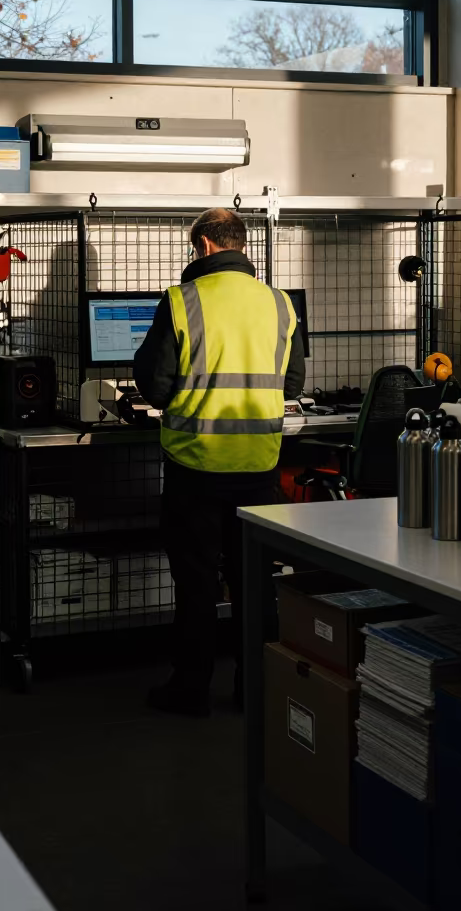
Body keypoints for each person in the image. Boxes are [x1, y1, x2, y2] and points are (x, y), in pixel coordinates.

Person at [133, 207, 306, 716]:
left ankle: (190, 691)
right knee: (256, 587)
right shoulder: (279, 303)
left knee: (196, 586)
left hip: (196, 469)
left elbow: (156, 385)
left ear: (205, 246)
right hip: (259, 468)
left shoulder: (182, 301)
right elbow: (292, 385)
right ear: (240, 245)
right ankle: (255, 690)